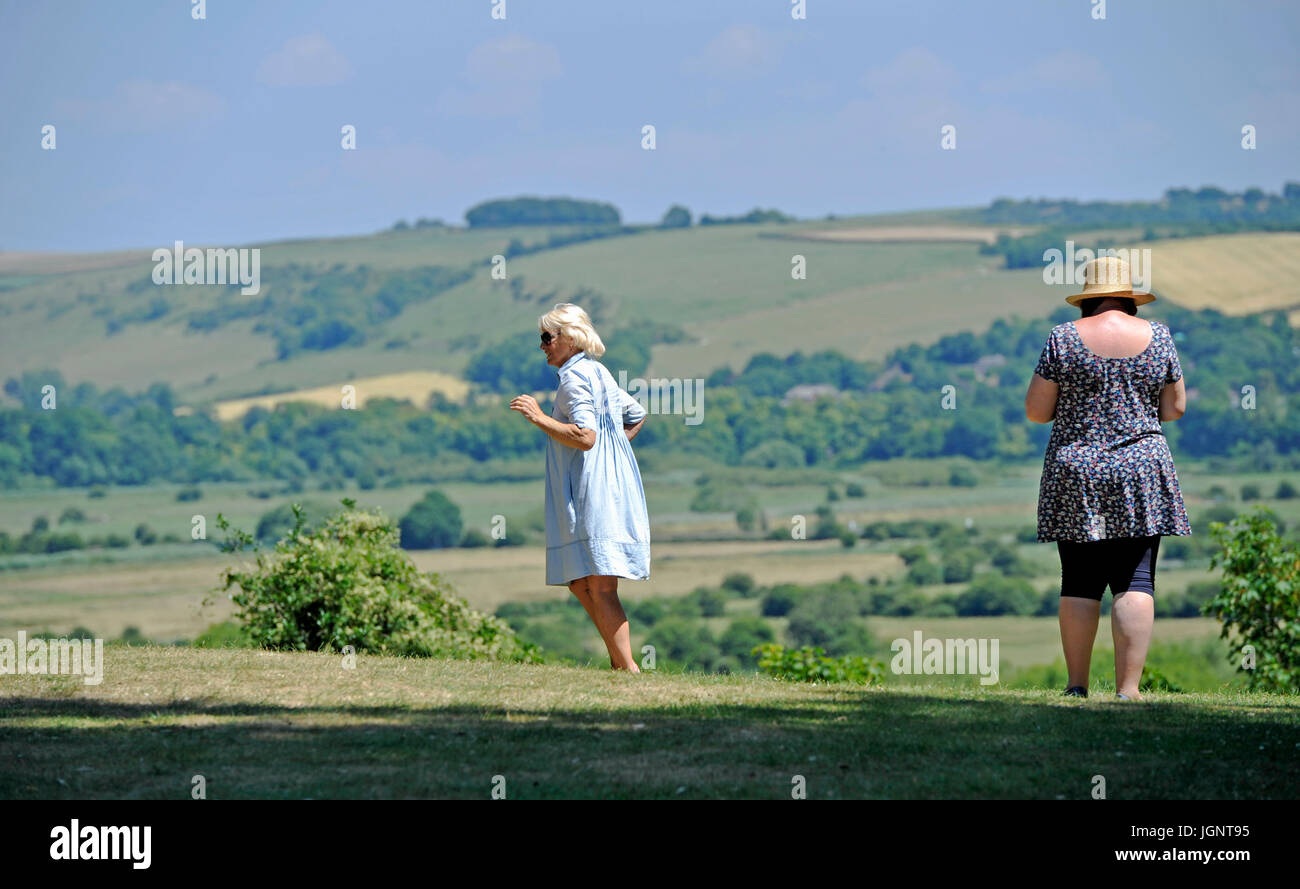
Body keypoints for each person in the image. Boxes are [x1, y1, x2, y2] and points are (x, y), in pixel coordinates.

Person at [1025, 255, 1191, 701]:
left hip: (1077, 470)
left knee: (1078, 580)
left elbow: (1037, 411)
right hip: (1141, 468)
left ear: (1087, 298)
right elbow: (1175, 409)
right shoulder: (1159, 336)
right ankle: (1129, 691)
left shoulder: (1062, 338)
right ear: (1130, 298)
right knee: (1135, 580)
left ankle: (1077, 686)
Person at [509, 303, 650, 672]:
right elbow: (635, 415)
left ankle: (628, 670)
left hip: (591, 492)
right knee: (579, 581)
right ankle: (622, 666)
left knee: (601, 587)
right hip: (601, 487)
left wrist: (538, 418)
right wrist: (614, 455)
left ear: (568, 339)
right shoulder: (597, 372)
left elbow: (586, 437)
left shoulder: (574, 379)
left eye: (546, 337)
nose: (542, 345)